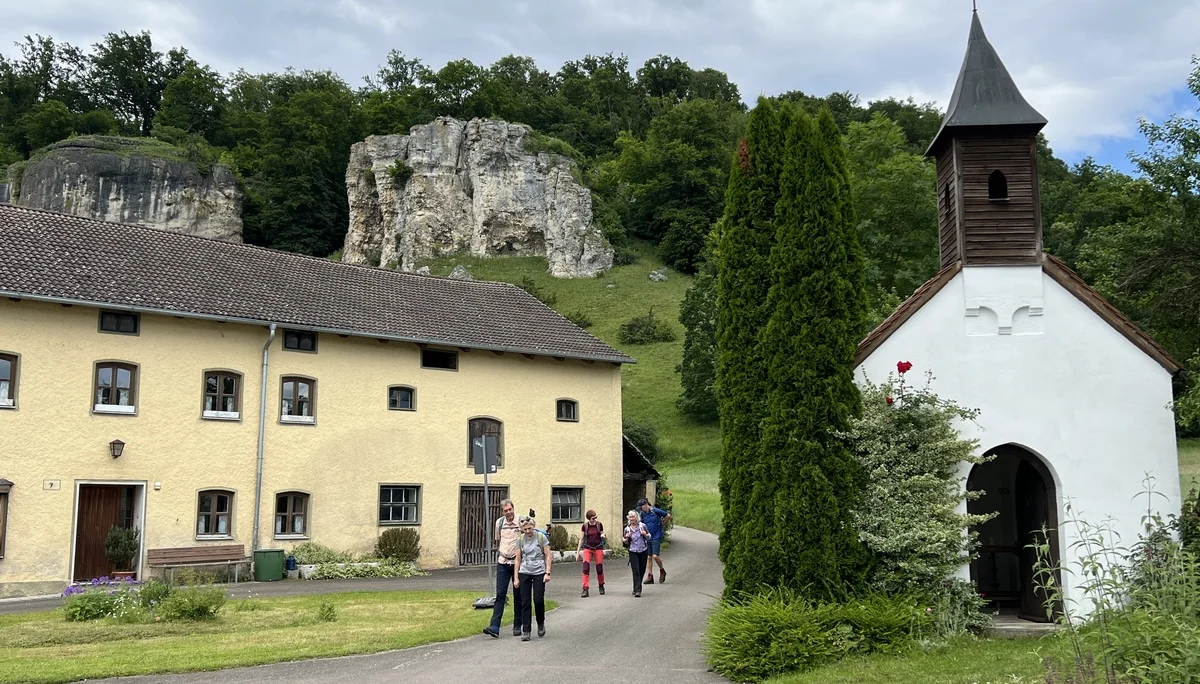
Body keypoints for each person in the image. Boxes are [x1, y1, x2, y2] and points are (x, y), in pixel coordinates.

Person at [483, 499, 523, 639]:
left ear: (513, 508)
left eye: (510, 509)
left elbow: (528, 536)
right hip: (503, 562)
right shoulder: (499, 523)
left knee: (518, 595)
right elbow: (497, 539)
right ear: (502, 512)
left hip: (518, 563)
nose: (509, 513)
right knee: (500, 595)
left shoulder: (521, 521)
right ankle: (495, 627)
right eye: (505, 511)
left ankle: (518, 625)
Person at [512, 515, 552, 640]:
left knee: (538, 600)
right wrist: (516, 577)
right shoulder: (521, 540)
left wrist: (547, 573)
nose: (528, 532)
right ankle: (526, 630)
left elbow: (548, 555)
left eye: (530, 529)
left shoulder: (541, 537)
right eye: (525, 529)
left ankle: (540, 623)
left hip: (539, 571)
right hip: (525, 571)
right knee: (525, 602)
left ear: (533, 527)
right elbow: (517, 559)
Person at [638, 498, 672, 585]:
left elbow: (667, 515)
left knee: (655, 556)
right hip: (648, 537)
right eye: (641, 507)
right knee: (649, 557)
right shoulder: (642, 514)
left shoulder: (654, 511)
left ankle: (662, 570)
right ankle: (650, 576)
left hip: (656, 536)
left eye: (644, 506)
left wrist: (662, 524)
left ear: (646, 505)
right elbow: (641, 524)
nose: (643, 508)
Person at [577, 509, 605, 598]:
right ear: (589, 519)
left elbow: (602, 534)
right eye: (593, 518)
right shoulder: (585, 526)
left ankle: (601, 585)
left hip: (598, 547)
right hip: (587, 548)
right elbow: (581, 539)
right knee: (585, 568)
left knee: (599, 568)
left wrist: (603, 536)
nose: (595, 519)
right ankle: (585, 589)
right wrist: (577, 553)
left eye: (596, 517)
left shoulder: (599, 525)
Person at [623, 509, 651, 598]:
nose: (631, 519)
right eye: (630, 517)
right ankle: (638, 590)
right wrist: (627, 538)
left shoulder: (643, 526)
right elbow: (625, 542)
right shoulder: (627, 529)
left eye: (633, 517)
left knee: (642, 570)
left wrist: (645, 534)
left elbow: (649, 537)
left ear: (636, 517)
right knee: (636, 571)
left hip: (643, 550)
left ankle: (636, 587)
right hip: (633, 551)